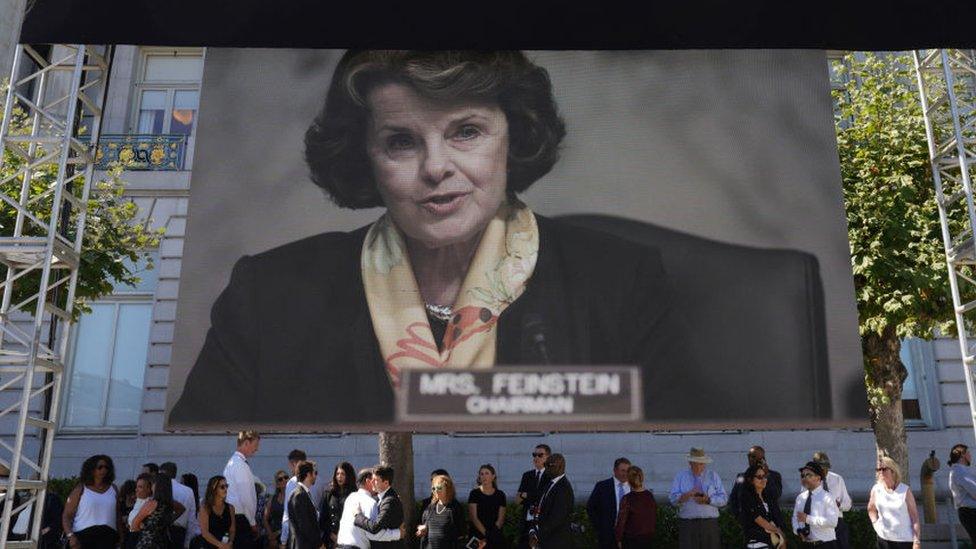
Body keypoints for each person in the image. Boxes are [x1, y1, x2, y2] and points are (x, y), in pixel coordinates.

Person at [169, 50, 700, 427]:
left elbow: (671, 455)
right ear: (365, 160)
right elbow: (200, 459)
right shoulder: (270, 292)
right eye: (401, 142)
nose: (436, 168)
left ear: (512, 138)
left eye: (465, 132)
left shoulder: (619, 279)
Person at [668, 448, 727, 549]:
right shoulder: (681, 476)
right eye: (696, 464)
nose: (699, 467)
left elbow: (724, 499)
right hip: (688, 524)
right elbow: (672, 499)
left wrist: (708, 500)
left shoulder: (713, 476)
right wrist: (684, 496)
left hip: (709, 524)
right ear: (690, 463)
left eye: (702, 464)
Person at [62, 454, 121, 549]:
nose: (103, 470)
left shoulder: (113, 489)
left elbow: (117, 515)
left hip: (108, 537)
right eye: (100, 467)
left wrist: (121, 537)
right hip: (84, 537)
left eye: (106, 467)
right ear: (92, 469)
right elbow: (66, 516)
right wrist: (70, 536)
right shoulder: (81, 489)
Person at [335, 468, 400, 549]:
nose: (374, 483)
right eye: (374, 479)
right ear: (368, 481)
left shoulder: (351, 497)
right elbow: (373, 533)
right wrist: (398, 533)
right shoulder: (370, 502)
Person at [867, 457, 920, 549]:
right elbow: (871, 509)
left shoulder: (905, 490)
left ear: (893, 471)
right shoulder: (876, 489)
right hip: (884, 539)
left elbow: (914, 518)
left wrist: (916, 541)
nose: (881, 472)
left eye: (884, 469)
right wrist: (875, 523)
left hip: (904, 540)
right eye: (878, 470)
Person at [728, 446, 783, 528]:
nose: (750, 459)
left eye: (754, 457)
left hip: (772, 522)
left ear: (762, 459)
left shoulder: (774, 476)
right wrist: (739, 518)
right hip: (750, 524)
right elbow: (733, 499)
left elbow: (776, 494)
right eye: (749, 456)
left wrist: (766, 474)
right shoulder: (741, 477)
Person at [225, 431, 260, 549]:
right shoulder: (239, 464)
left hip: (234, 517)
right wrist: (252, 522)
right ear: (246, 443)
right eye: (255, 445)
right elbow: (246, 497)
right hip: (241, 519)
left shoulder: (233, 463)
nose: (256, 449)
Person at [354, 465, 404, 548]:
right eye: (372, 479)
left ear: (386, 483)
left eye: (376, 480)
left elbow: (375, 528)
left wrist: (357, 515)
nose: (371, 482)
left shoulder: (390, 501)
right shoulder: (378, 498)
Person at [736, 464, 786, 549]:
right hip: (756, 541)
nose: (763, 480)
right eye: (759, 477)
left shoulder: (767, 497)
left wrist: (781, 538)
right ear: (750, 480)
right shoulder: (746, 497)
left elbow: (774, 518)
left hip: (770, 541)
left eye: (764, 476)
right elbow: (760, 520)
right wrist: (779, 532)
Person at [529, 453, 573, 548]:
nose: (547, 468)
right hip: (545, 540)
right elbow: (539, 508)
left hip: (556, 541)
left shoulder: (563, 488)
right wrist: (533, 529)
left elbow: (557, 518)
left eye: (550, 465)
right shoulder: (550, 484)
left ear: (560, 467)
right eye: (545, 465)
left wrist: (537, 535)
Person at [132, 474, 186, 549]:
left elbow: (134, 524)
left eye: (153, 484)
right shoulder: (170, 503)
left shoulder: (151, 504)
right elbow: (182, 509)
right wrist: (169, 520)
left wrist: (145, 529)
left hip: (147, 543)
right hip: (162, 543)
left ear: (157, 486)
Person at [792, 461, 839, 547]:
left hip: (826, 544)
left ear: (818, 478)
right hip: (806, 544)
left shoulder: (828, 497)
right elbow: (795, 518)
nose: (804, 478)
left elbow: (833, 522)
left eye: (809, 475)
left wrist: (808, 519)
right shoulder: (800, 498)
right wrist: (798, 530)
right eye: (802, 476)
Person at [587, 457, 631, 549]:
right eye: (623, 470)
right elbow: (591, 507)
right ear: (615, 470)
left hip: (629, 536)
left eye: (628, 471)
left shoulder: (633, 487)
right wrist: (600, 527)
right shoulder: (602, 486)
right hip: (607, 536)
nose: (625, 474)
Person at [812, 451, 852, 549]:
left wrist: (839, 505)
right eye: (820, 468)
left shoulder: (837, 479)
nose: (823, 471)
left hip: (838, 523)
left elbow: (848, 504)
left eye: (825, 467)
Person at [417, 474, 465, 549]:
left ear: (447, 488)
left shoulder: (455, 507)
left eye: (439, 488)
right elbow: (424, 525)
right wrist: (422, 530)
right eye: (433, 488)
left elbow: (461, 533)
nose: (436, 491)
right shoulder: (430, 507)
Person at [613, 465, 657, 549]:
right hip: (647, 538)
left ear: (628, 480)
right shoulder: (649, 495)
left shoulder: (627, 499)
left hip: (631, 540)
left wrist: (618, 539)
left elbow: (621, 521)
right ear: (642, 478)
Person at [516, 445, 550, 549]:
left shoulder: (550, 476)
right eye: (534, 455)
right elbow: (518, 499)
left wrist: (527, 495)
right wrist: (530, 495)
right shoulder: (527, 475)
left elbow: (545, 498)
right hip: (527, 522)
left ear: (548, 457)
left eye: (540, 455)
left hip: (543, 523)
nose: (536, 458)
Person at [467, 464, 507, 548]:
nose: (484, 476)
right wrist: (486, 534)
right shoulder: (474, 493)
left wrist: (492, 534)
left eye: (486, 473)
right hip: (477, 535)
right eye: (481, 474)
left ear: (493, 476)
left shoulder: (500, 494)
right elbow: (474, 518)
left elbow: (501, 519)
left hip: (495, 534)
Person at [191, 475, 236, 549]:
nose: (225, 489)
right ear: (214, 489)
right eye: (222, 487)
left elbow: (232, 530)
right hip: (209, 545)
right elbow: (205, 532)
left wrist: (230, 542)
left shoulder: (230, 508)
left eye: (226, 486)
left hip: (226, 545)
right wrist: (220, 545)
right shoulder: (205, 508)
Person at [161, 461, 198, 548]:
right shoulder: (188, 491)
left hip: (163, 530)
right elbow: (191, 518)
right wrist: (187, 542)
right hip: (180, 532)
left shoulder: (160, 488)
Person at [286, 461, 322, 549]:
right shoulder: (299, 495)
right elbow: (305, 526)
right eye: (315, 473)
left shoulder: (304, 494)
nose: (315, 476)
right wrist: (319, 544)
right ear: (308, 474)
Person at [320, 462, 356, 548]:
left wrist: (341, 537)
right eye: (337, 474)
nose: (339, 476)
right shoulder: (329, 494)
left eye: (343, 474)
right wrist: (331, 534)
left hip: (349, 540)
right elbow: (323, 519)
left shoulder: (354, 494)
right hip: (331, 540)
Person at [948, 444, 976, 542]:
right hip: (971, 512)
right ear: (963, 455)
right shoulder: (960, 471)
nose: (970, 456)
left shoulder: (960, 471)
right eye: (968, 453)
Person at [280, 449, 308, 547]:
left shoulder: (292, 483)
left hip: (297, 535)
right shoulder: (314, 479)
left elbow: (288, 512)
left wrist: (283, 540)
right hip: (312, 534)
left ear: (294, 464)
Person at [127, 474, 154, 549]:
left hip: (140, 539)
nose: (136, 489)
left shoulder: (151, 503)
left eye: (140, 487)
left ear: (149, 489)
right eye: (137, 486)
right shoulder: (138, 500)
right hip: (131, 537)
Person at [264, 471, 288, 549]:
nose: (284, 480)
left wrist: (278, 532)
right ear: (277, 484)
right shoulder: (272, 498)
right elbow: (265, 518)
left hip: (287, 535)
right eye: (280, 479)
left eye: (286, 477)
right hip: (273, 535)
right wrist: (270, 535)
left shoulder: (293, 498)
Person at [183, 474, 203, 545]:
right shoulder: (201, 502)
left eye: (182, 483)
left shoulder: (199, 503)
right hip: (197, 536)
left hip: (192, 538)